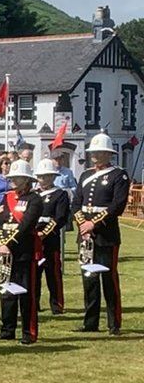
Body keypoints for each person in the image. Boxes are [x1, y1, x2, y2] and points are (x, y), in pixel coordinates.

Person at [72, 133, 129, 335]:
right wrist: (82, 224)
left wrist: (92, 224)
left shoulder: (118, 175)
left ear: (108, 154)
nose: (94, 156)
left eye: (98, 152)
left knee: (109, 279)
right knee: (89, 278)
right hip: (85, 236)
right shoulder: (85, 175)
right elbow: (76, 203)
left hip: (106, 235)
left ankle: (114, 323)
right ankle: (91, 322)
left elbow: (117, 205)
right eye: (92, 152)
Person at [0, 160, 44, 345]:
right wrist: (0, 242)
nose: (13, 181)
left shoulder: (35, 199)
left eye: (17, 178)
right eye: (11, 178)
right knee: (6, 291)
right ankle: (7, 329)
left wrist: (9, 244)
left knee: (26, 293)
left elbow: (26, 225)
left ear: (27, 180)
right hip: (6, 252)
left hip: (24, 251)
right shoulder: (7, 198)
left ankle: (29, 332)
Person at [34, 158, 69, 315]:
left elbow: (60, 218)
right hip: (33, 238)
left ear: (53, 177)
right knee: (34, 272)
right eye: (41, 176)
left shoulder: (59, 194)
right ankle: (34, 303)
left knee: (53, 272)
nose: (43, 180)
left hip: (50, 238)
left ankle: (57, 304)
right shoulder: (33, 195)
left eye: (47, 176)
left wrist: (44, 233)